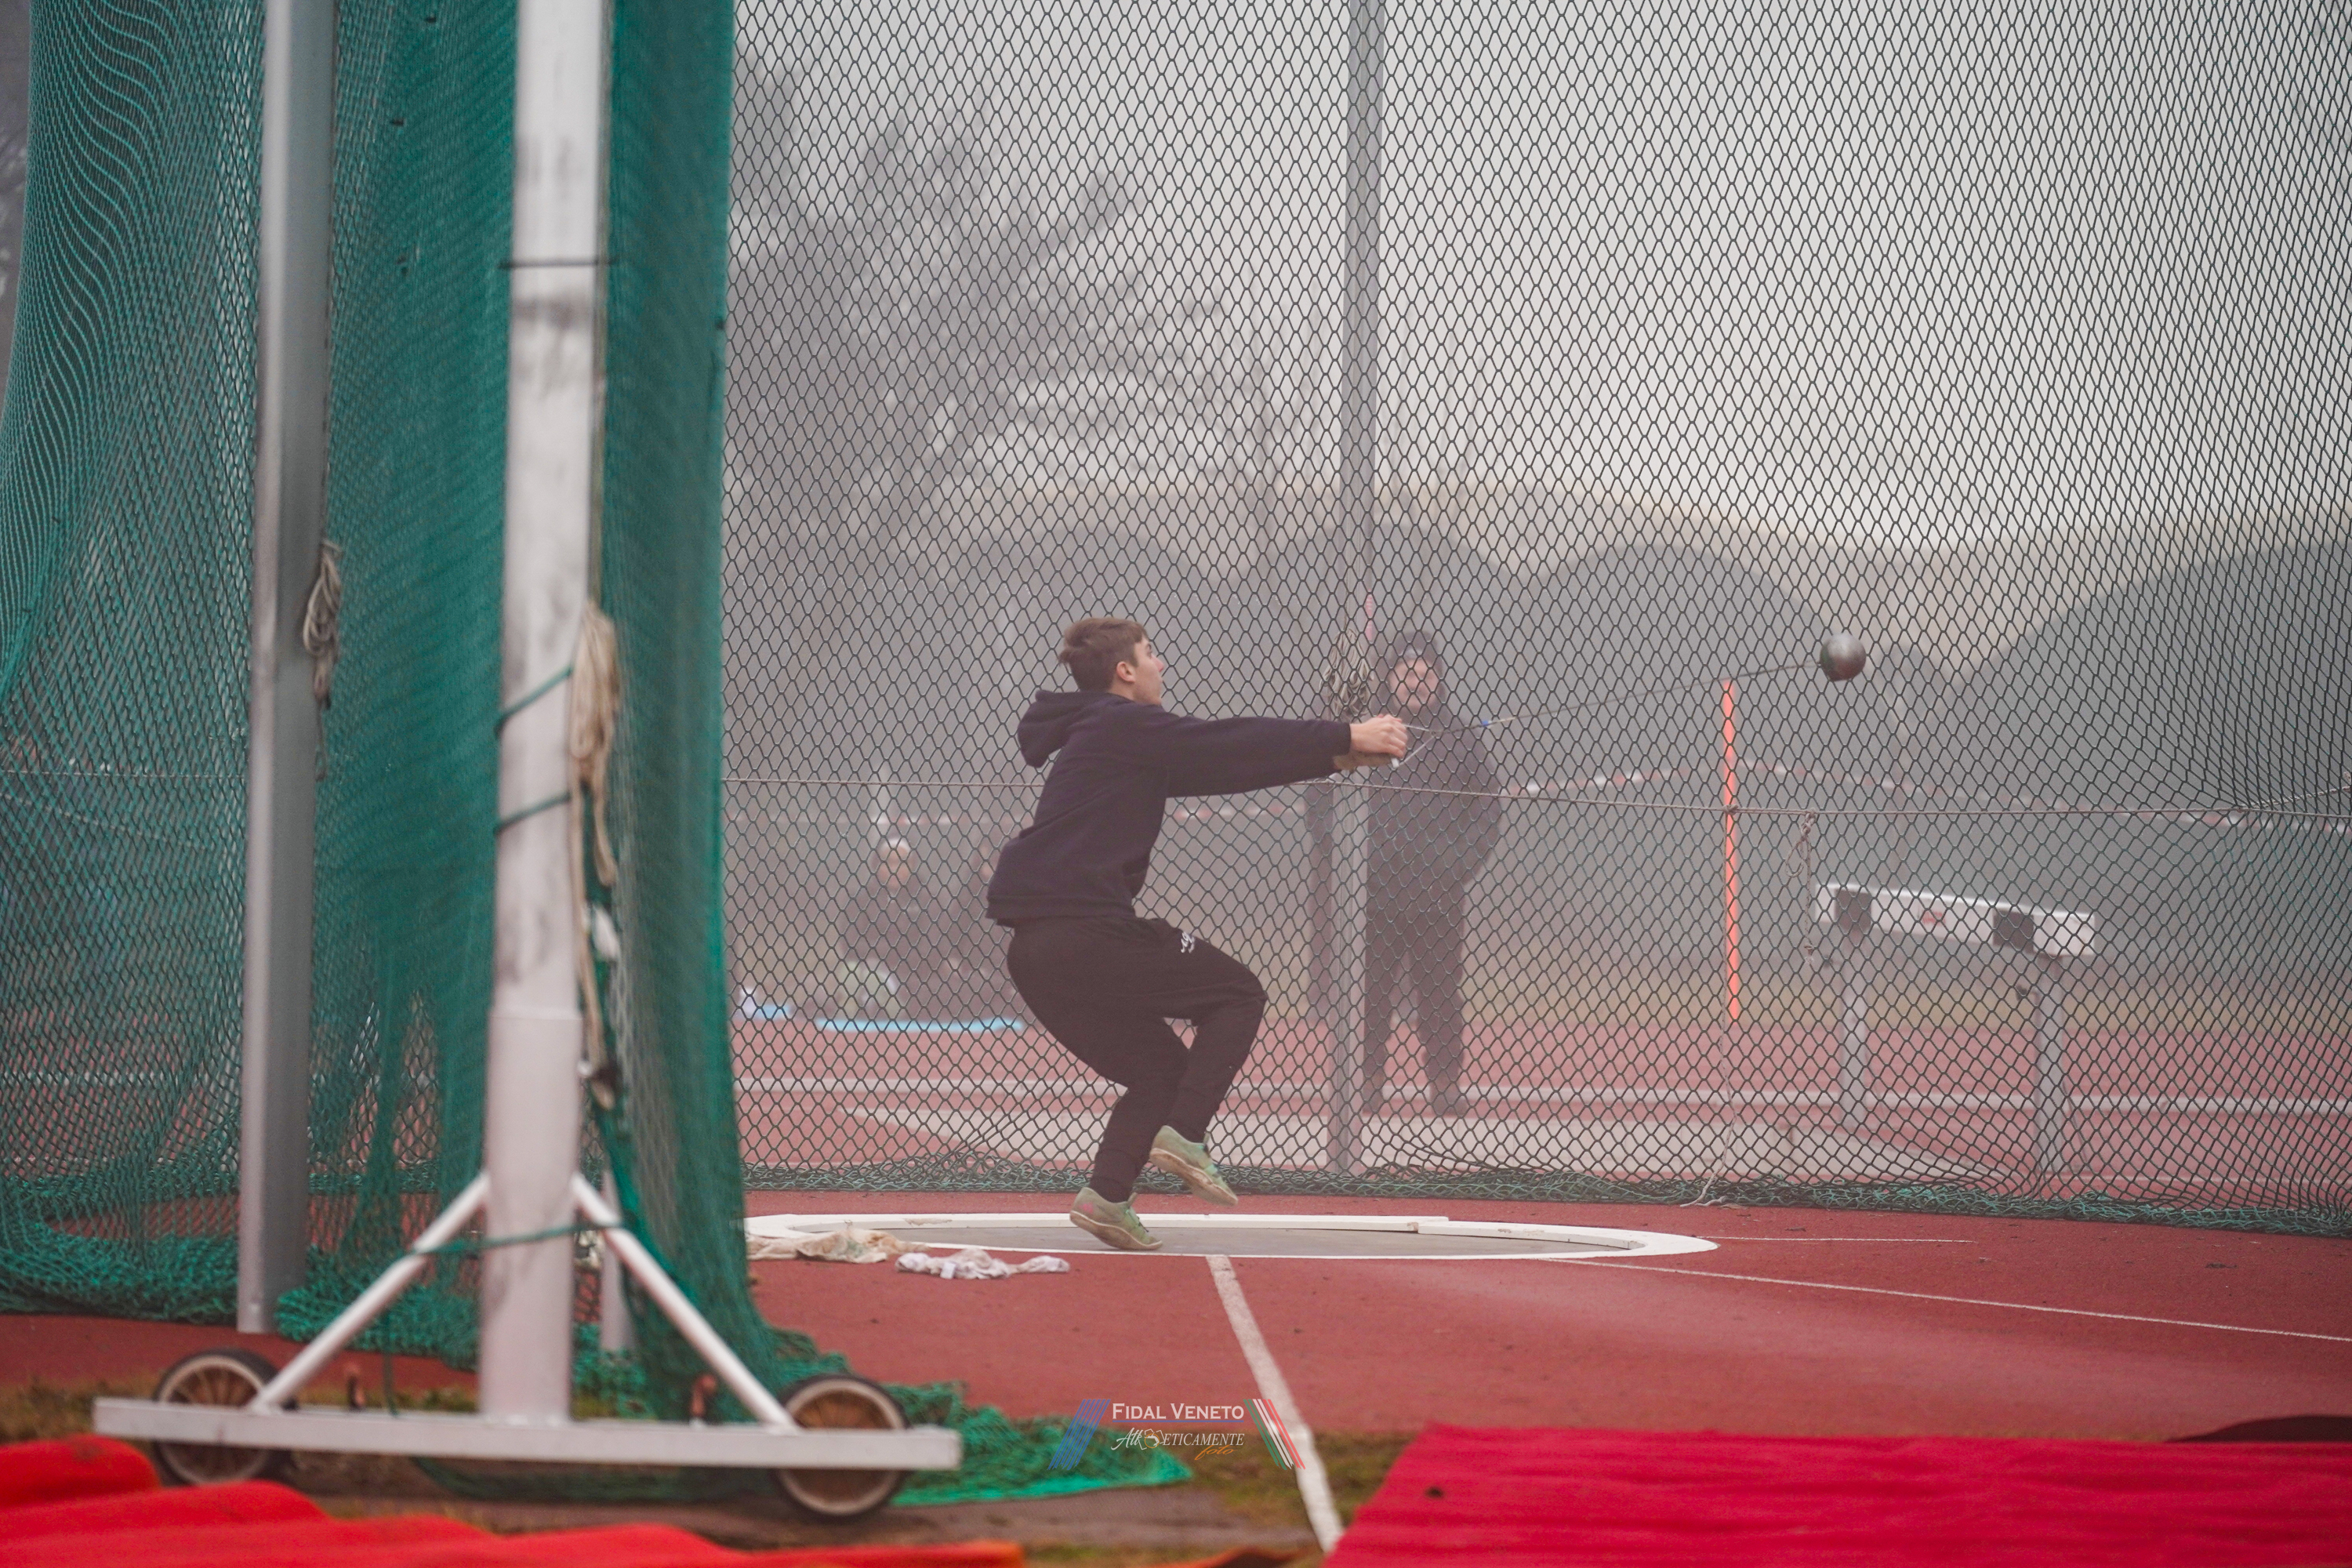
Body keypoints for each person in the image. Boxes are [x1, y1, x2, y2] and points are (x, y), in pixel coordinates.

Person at [989, 617, 1407, 1250]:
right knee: (1237, 993)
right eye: (1151, 654)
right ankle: (1185, 1136)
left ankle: (1106, 1197)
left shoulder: (1108, 736)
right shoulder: (1121, 723)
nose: (1162, 665)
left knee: (1159, 1068)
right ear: (1125, 672)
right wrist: (1348, 732)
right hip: (1086, 933)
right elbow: (1227, 739)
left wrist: (1334, 757)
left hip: (1036, 955)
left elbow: (1224, 767)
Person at [1362, 630, 1501, 1116]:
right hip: (1372, 895)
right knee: (1370, 995)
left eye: (1426, 674)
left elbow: (1487, 809)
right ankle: (1366, 1084)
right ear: (1389, 678)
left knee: (1440, 994)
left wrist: (1456, 866)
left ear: (1439, 679)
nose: (1417, 682)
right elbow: (1323, 796)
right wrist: (1351, 859)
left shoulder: (1460, 739)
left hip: (1438, 897)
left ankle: (1444, 1087)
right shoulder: (1365, 733)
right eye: (1407, 673)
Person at [837, 838, 940, 1018]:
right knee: (852, 970)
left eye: (901, 862)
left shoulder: (926, 899)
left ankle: (886, 1001)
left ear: (912, 865)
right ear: (877, 864)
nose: (894, 869)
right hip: (866, 966)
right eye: (888, 862)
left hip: (908, 974)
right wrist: (881, 955)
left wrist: (887, 955)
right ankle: (851, 1014)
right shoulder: (860, 898)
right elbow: (850, 942)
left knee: (876, 979)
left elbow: (928, 948)